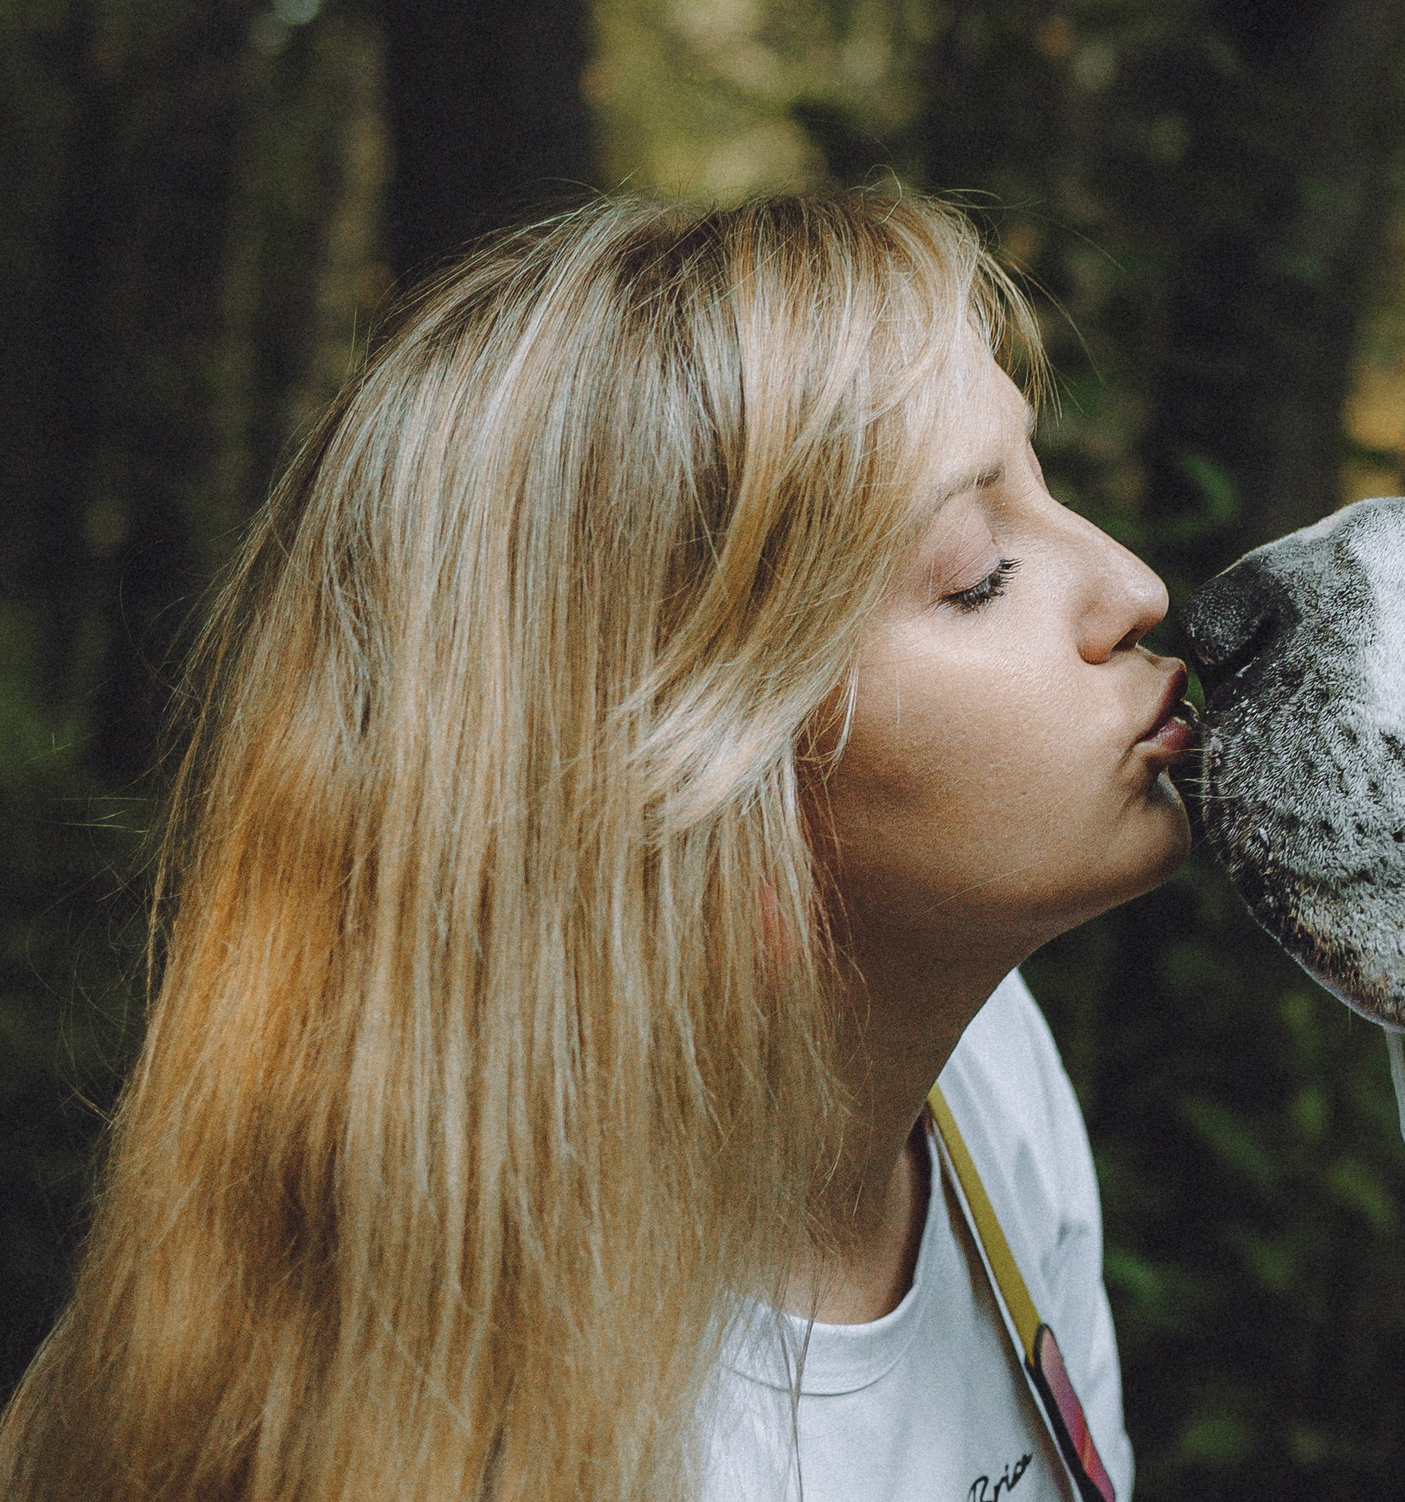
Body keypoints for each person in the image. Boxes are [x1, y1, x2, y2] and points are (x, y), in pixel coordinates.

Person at [0, 191, 1188, 1502]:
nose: (1135, 586)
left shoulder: (985, 1074)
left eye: (1045, 482)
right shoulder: (468, 1439)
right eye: (976, 574)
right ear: (695, 794)